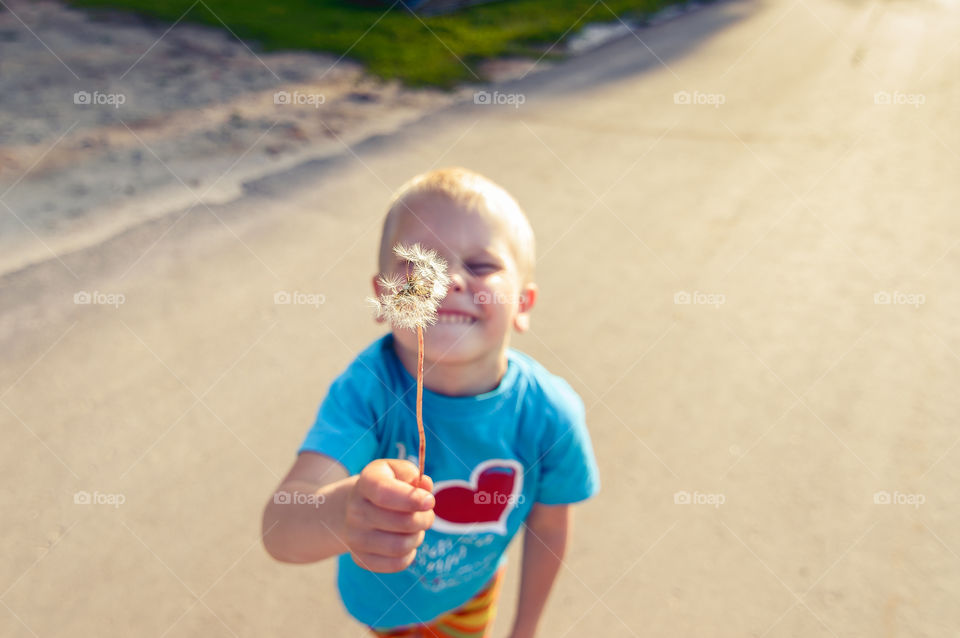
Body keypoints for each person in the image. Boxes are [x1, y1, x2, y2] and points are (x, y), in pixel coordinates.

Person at [262, 167, 600, 638]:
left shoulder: (549, 415)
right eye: (420, 265)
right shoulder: (365, 392)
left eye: (481, 265)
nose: (450, 280)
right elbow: (281, 529)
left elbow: (549, 527)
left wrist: (526, 627)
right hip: (383, 603)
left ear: (523, 303)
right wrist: (343, 513)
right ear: (384, 299)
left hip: (472, 590)